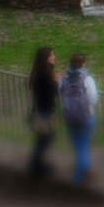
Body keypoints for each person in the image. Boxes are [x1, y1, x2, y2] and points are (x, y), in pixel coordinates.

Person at [58, 53, 100, 185]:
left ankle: (85, 171)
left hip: (70, 116)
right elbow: (93, 97)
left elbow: (61, 93)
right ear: (84, 64)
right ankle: (79, 179)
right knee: (84, 147)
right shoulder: (87, 79)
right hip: (86, 116)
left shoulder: (64, 78)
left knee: (78, 146)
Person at [26, 47, 59, 180]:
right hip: (46, 112)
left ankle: (37, 164)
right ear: (46, 59)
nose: (54, 57)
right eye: (52, 56)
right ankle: (37, 166)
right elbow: (54, 92)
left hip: (40, 111)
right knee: (45, 140)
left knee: (43, 140)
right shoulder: (45, 75)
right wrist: (56, 81)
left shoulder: (38, 73)